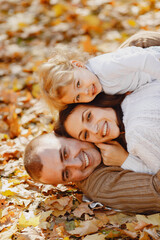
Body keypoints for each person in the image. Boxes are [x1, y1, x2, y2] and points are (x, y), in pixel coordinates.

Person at [23, 132, 160, 214]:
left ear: (65, 134)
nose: (77, 164)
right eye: (66, 173)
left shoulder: (88, 119)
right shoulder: (103, 187)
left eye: (65, 153)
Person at [55, 78, 160, 175]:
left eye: (89, 117)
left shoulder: (136, 134)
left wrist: (124, 160)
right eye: (86, 134)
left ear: (98, 103)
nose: (94, 130)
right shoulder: (138, 89)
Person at [39, 31, 160, 112]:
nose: (85, 92)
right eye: (77, 97)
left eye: (78, 84)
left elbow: (143, 59)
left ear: (78, 65)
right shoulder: (97, 84)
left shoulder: (104, 68)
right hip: (148, 77)